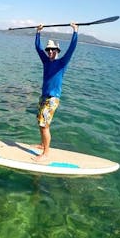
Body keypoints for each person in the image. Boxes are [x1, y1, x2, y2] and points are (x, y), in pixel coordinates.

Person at [34, 22, 79, 161]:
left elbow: (71, 49)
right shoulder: (46, 61)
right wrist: (38, 32)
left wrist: (75, 32)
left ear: (58, 51)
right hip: (43, 97)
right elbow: (37, 47)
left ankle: (46, 154)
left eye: (53, 50)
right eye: (49, 50)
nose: (50, 52)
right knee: (40, 123)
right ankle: (43, 145)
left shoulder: (62, 63)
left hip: (53, 98)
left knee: (44, 125)